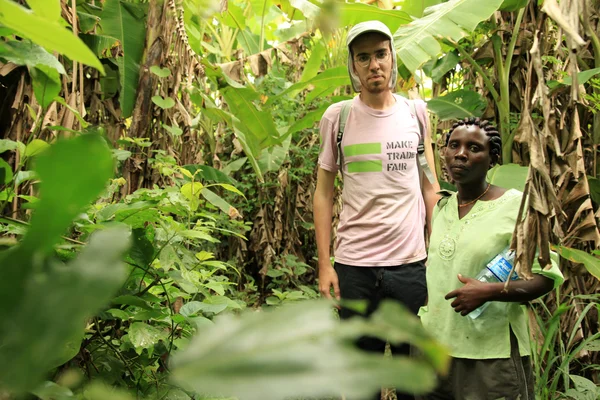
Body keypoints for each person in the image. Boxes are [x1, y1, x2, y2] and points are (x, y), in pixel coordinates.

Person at [312, 20, 439, 400]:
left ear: (392, 57)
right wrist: (324, 263)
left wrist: (440, 253)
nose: (374, 65)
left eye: (380, 54)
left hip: (410, 265)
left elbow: (430, 186)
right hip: (355, 268)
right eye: (363, 57)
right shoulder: (338, 118)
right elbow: (322, 194)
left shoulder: (416, 114)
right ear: (353, 65)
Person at [420, 118, 564, 400]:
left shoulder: (515, 206)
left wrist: (489, 291)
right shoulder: (443, 207)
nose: (461, 154)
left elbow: (545, 277)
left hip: (490, 357)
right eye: (454, 146)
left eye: (474, 148)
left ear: (492, 159)